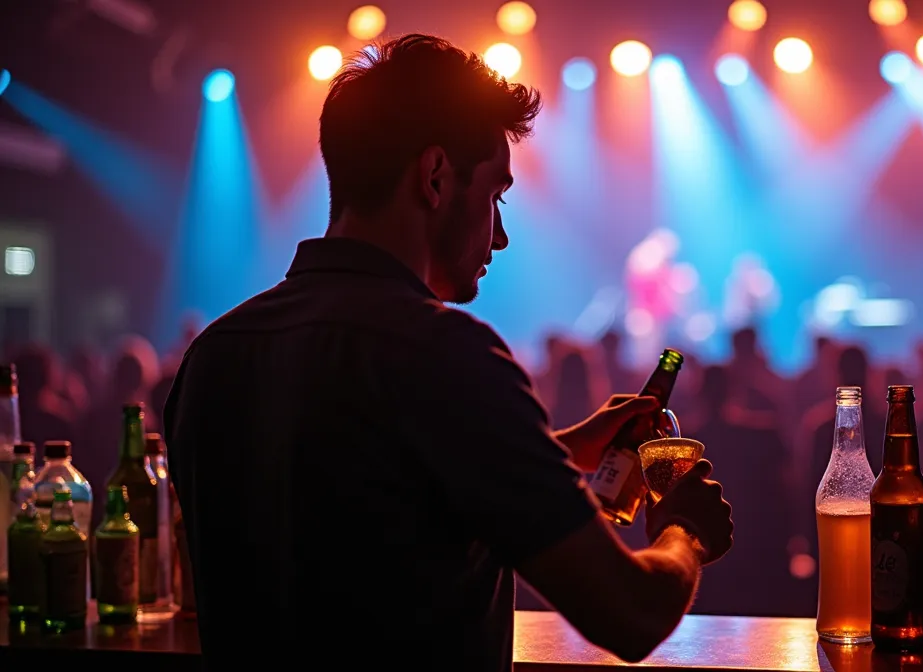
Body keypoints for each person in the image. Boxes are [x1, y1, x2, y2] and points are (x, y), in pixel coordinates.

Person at [164, 35, 733, 670]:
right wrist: (684, 530)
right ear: (435, 177)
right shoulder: (443, 354)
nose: (503, 233)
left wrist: (563, 452)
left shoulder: (214, 356)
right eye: (495, 195)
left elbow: (362, 495)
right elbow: (629, 614)